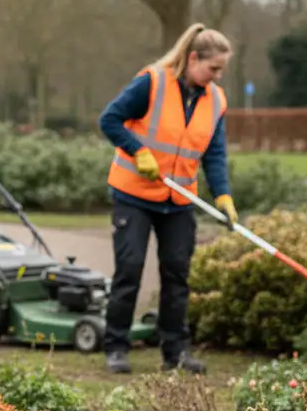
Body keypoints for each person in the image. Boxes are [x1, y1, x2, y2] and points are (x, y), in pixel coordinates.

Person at [98, 23, 239, 376]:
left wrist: (222, 195)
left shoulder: (216, 100)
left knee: (177, 274)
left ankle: (175, 352)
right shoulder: (153, 82)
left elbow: (214, 153)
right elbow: (110, 120)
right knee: (129, 269)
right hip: (134, 195)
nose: (217, 76)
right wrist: (137, 150)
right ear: (193, 58)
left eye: (221, 70)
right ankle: (116, 347)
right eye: (213, 68)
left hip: (178, 200)